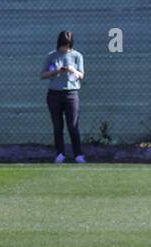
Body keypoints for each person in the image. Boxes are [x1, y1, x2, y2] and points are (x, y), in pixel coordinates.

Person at [41, 30, 86, 164]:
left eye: (67, 45)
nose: (65, 48)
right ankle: (60, 154)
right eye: (63, 45)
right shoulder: (51, 56)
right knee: (57, 126)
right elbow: (43, 75)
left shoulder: (77, 56)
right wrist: (56, 71)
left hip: (71, 94)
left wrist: (73, 70)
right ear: (59, 43)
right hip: (54, 94)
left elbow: (82, 76)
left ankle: (78, 154)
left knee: (73, 125)